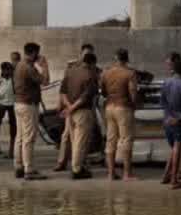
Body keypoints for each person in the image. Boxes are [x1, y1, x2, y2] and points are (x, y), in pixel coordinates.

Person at [54, 43, 95, 171]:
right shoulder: (74, 68)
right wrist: (65, 106)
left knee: (78, 138)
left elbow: (63, 90)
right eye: (86, 53)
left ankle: (78, 163)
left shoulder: (78, 70)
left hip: (72, 109)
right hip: (77, 109)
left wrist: (68, 107)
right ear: (81, 54)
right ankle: (74, 166)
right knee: (75, 138)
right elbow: (83, 95)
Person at [100, 48, 139, 181]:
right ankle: (127, 174)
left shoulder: (106, 73)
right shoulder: (130, 73)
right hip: (123, 107)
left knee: (111, 140)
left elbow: (103, 92)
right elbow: (133, 92)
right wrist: (134, 105)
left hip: (109, 107)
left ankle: (110, 174)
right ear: (126, 59)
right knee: (126, 139)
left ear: (115, 58)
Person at [12, 42, 50, 180]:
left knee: (20, 137)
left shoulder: (19, 65)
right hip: (28, 105)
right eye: (37, 54)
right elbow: (45, 81)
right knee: (29, 137)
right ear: (34, 53)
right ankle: (29, 169)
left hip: (18, 104)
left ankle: (18, 166)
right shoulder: (28, 68)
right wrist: (44, 66)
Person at [61, 51, 99, 179]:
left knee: (73, 140)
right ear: (92, 63)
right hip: (82, 111)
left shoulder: (70, 71)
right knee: (80, 142)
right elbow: (85, 97)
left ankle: (77, 166)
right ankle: (77, 169)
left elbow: (63, 92)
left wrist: (68, 107)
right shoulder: (90, 76)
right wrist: (72, 108)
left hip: (70, 112)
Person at [160, 57, 181, 189]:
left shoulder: (166, 82)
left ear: (173, 69)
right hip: (179, 122)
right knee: (177, 149)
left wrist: (169, 116)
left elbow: (162, 103)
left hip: (167, 120)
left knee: (174, 149)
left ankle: (166, 176)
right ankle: (174, 180)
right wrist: (180, 118)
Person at [0, 61, 16, 158]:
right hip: (0, 104)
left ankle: (11, 148)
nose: (10, 72)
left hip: (12, 103)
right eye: (8, 70)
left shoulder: (13, 79)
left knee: (13, 125)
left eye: (11, 70)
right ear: (3, 70)